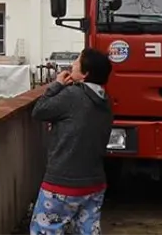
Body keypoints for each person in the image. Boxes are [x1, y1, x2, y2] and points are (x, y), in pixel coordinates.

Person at [29, 48, 114, 235]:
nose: (73, 64)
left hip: (62, 183)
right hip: (94, 183)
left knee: (45, 230)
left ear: (85, 74)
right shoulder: (105, 100)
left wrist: (57, 84)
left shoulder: (72, 95)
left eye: (77, 61)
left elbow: (39, 111)